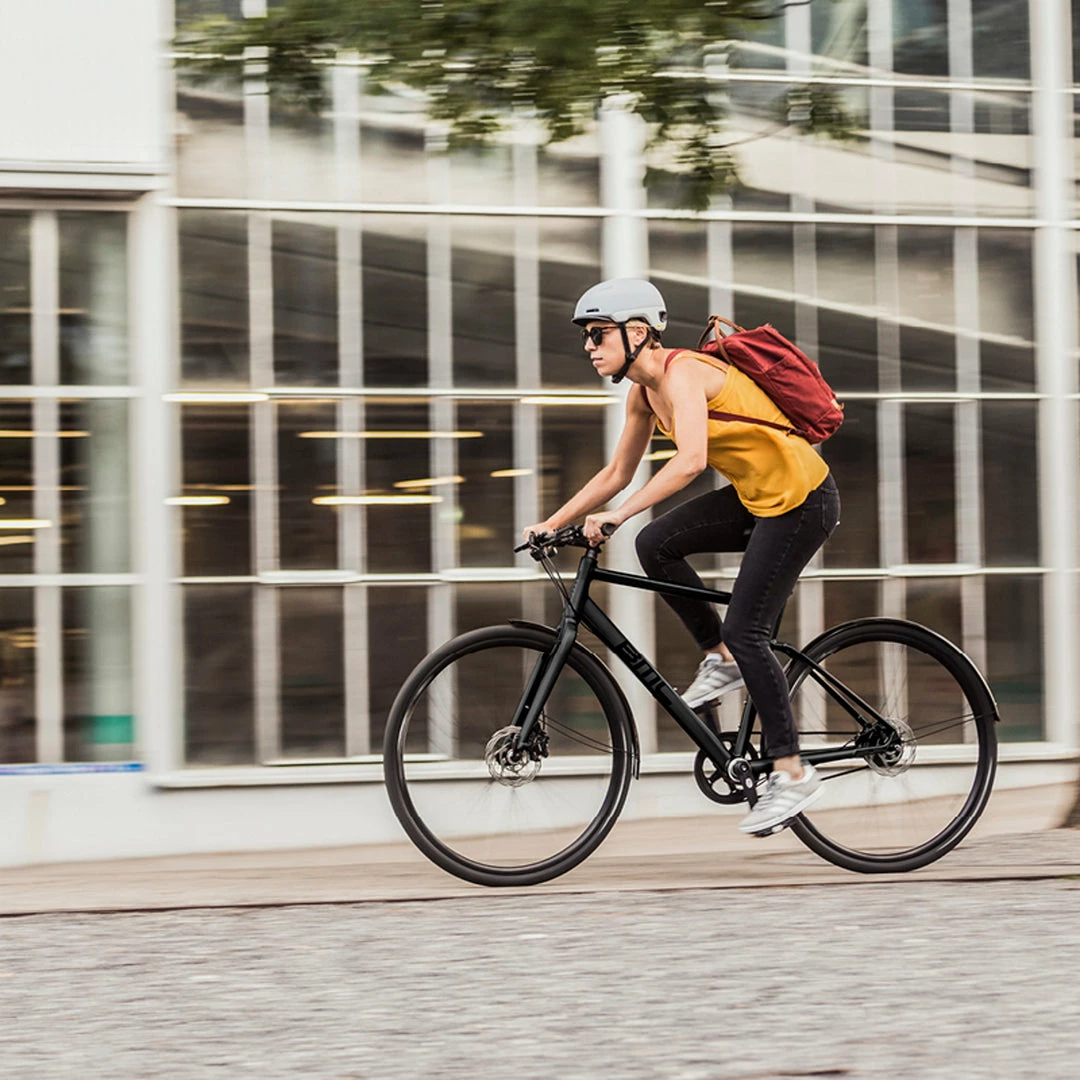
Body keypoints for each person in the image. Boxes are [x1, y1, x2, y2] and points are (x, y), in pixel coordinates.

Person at [522, 278, 841, 836]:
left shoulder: (685, 372)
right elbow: (617, 473)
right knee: (656, 544)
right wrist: (553, 523)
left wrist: (619, 516)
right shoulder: (643, 393)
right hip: (756, 500)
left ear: (638, 332)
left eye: (598, 334)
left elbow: (691, 460)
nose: (590, 346)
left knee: (749, 630)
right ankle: (721, 658)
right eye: (587, 338)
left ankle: (792, 772)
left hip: (802, 501)